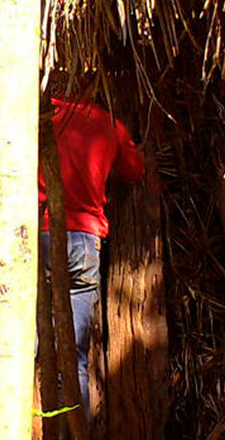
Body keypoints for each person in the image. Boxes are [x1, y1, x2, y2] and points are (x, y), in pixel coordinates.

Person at [38, 96, 146, 416]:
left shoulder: (40, 112)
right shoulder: (108, 122)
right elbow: (135, 171)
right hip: (84, 240)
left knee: (24, 347)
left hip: (37, 235)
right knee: (73, 360)